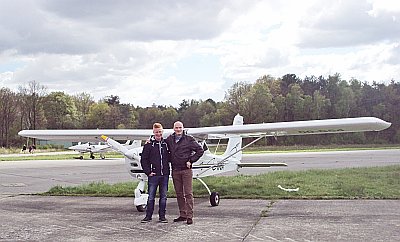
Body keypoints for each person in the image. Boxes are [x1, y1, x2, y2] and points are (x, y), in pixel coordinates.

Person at [166, 121, 204, 225]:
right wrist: (149, 141)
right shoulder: (169, 139)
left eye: (180, 127)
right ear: (173, 129)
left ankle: (189, 216)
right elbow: (162, 145)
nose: (178, 129)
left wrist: (191, 160)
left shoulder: (189, 139)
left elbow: (200, 150)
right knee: (179, 194)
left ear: (183, 128)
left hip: (186, 170)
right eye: (176, 128)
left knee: (188, 193)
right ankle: (182, 214)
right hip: (175, 170)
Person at [140, 123, 171, 223]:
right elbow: (144, 160)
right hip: (153, 175)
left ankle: (162, 216)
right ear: (153, 132)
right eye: (156, 132)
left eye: (160, 132)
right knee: (151, 197)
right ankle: (148, 216)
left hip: (164, 175)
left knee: (163, 197)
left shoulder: (166, 144)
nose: (158, 134)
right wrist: (148, 172)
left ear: (162, 132)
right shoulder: (149, 145)